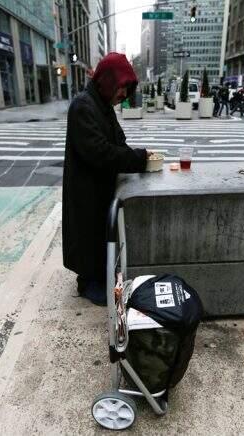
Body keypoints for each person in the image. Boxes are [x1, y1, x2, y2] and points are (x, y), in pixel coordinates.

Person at [63, 52, 149, 306]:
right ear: (108, 81)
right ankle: (88, 282)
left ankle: (99, 276)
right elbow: (100, 153)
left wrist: (136, 156)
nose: (123, 94)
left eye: (127, 89)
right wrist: (138, 159)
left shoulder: (102, 105)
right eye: (121, 87)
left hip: (102, 186)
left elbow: (119, 143)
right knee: (88, 234)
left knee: (101, 234)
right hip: (86, 189)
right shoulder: (83, 106)